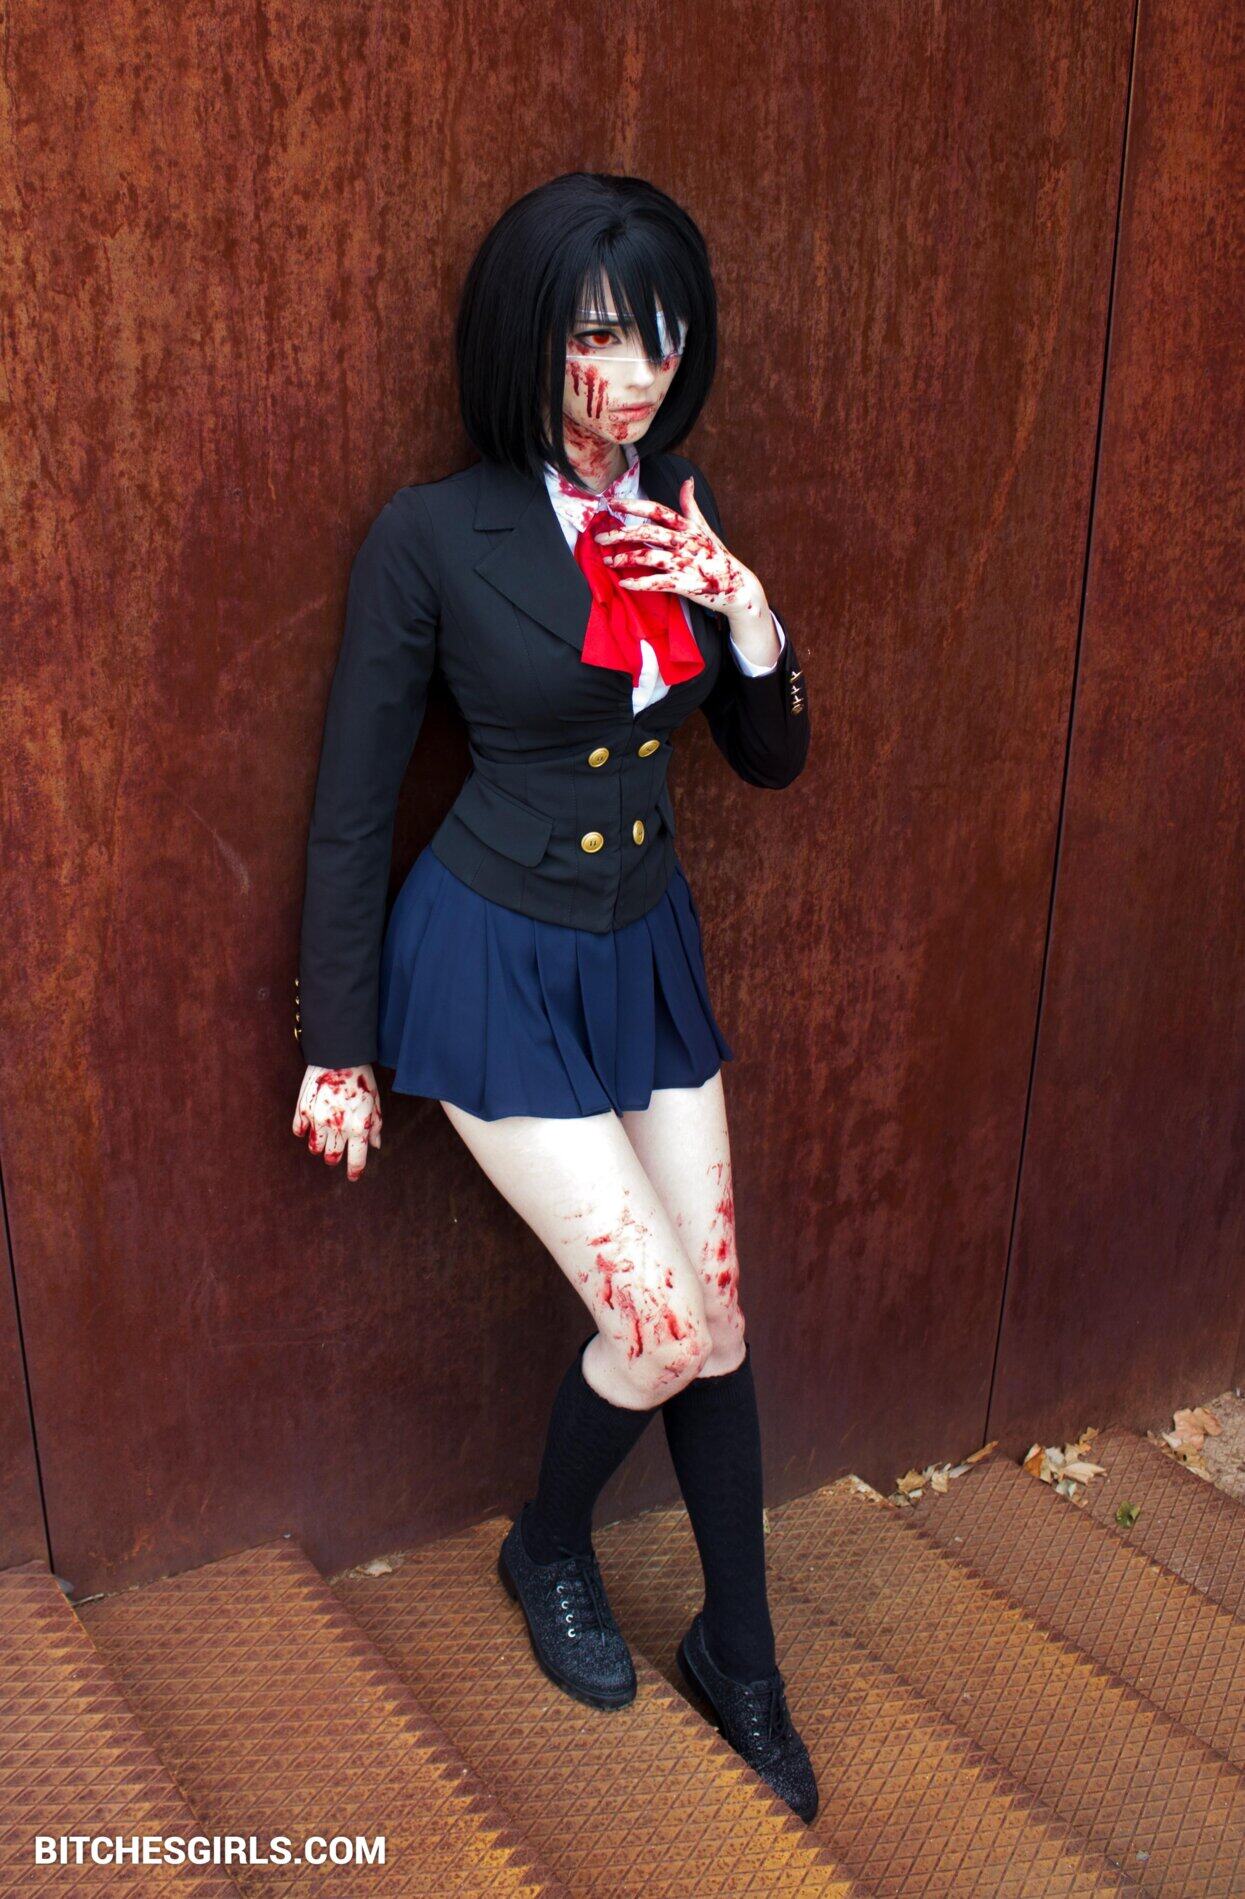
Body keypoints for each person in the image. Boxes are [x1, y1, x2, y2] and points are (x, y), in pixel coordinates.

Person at [291, 172, 815, 1822]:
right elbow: (353, 806)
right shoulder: (430, 534)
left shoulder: (685, 505)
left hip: (639, 945)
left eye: (661, 333)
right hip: (492, 959)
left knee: (718, 1322)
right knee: (654, 1330)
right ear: (528, 338)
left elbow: (768, 759)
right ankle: (546, 1545)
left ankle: (742, 1655)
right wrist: (338, 1049)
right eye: (599, 334)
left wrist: (745, 611)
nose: (638, 370)